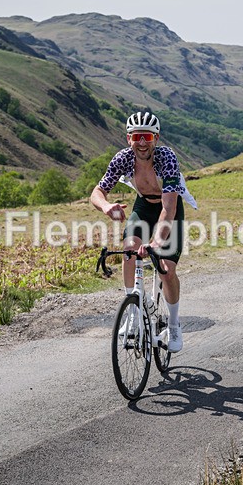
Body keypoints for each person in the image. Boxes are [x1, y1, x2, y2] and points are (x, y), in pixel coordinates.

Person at [90, 112, 197, 353]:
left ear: (156, 138)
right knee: (130, 248)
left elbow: (168, 208)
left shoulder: (166, 158)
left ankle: (173, 324)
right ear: (128, 138)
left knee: (166, 270)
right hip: (143, 205)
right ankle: (133, 311)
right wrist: (106, 206)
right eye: (136, 136)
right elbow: (97, 192)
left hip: (168, 207)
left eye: (147, 137)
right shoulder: (123, 159)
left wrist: (156, 242)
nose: (141, 142)